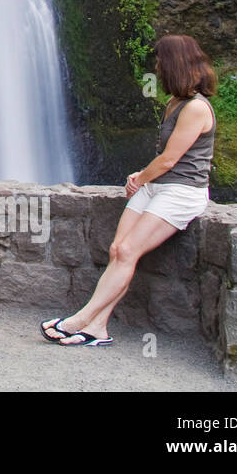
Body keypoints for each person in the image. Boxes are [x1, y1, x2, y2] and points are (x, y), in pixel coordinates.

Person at [41, 34, 217, 347]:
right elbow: (165, 158)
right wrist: (143, 177)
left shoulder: (196, 108)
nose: (157, 67)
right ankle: (98, 328)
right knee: (117, 250)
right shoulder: (174, 102)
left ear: (174, 63)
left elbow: (171, 159)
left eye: (161, 61)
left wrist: (141, 179)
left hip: (182, 193)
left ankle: (80, 320)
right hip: (157, 187)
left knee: (126, 251)